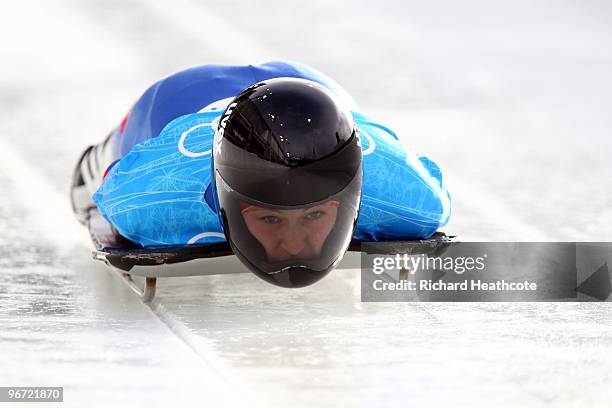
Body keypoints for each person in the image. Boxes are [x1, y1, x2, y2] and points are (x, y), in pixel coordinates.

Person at [71, 61, 451, 288]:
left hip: (315, 92)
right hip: (177, 100)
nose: (293, 244)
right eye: (270, 217)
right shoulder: (150, 197)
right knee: (96, 174)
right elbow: (109, 187)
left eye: (315, 214)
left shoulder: (403, 194)